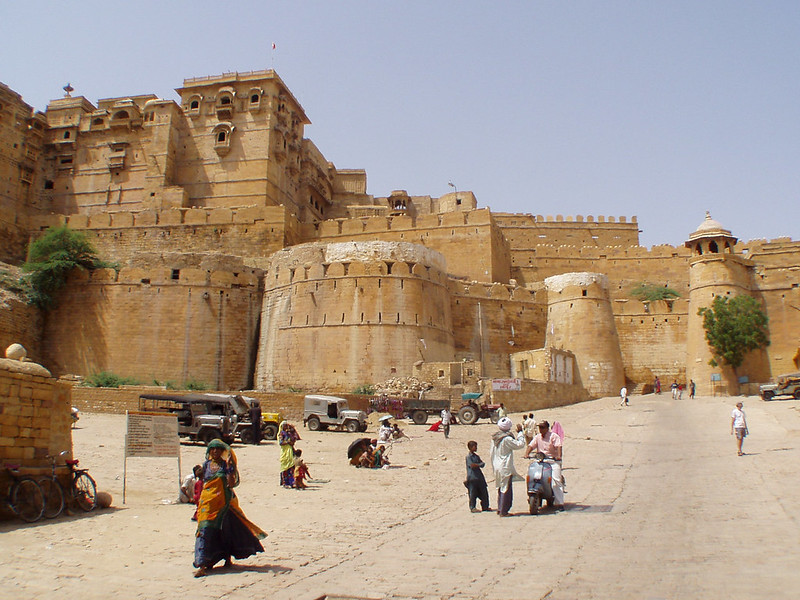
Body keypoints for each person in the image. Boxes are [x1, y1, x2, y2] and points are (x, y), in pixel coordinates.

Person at [193, 439, 266, 578]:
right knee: (204, 530)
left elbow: (231, 483)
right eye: (212, 449)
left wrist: (231, 469)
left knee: (224, 531)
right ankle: (201, 563)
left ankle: (226, 557)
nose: (215, 451)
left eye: (217, 449)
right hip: (208, 504)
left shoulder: (225, 466)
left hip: (223, 503)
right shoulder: (206, 465)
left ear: (222, 451)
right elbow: (203, 483)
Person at [524, 420, 565, 511]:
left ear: (547, 428)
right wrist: (527, 453)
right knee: (532, 476)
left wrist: (558, 456)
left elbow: (558, 446)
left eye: (542, 427)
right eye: (539, 427)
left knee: (556, 481)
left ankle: (560, 503)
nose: (540, 429)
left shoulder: (554, 436)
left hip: (552, 461)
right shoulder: (537, 437)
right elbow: (531, 445)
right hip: (540, 460)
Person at [490, 417, 526, 516]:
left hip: (497, 466)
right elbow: (520, 444)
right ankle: (503, 511)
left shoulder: (495, 438)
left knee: (500, 487)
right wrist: (520, 433)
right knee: (505, 488)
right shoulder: (507, 439)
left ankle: (500, 508)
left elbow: (491, 453)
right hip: (504, 466)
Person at [465, 441, 491, 513]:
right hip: (472, 477)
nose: (476, 448)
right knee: (472, 493)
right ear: (470, 447)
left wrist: (478, 464)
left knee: (484, 492)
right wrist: (479, 464)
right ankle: (473, 507)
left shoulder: (476, 456)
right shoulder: (468, 457)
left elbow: (482, 464)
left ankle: (485, 507)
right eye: (474, 446)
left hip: (479, 477)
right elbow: (472, 466)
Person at [279, 421, 299, 488]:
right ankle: (285, 483)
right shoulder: (281, 434)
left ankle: (292, 482)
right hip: (285, 452)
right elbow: (281, 442)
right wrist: (287, 442)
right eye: (284, 425)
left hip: (290, 451)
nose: (286, 426)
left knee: (291, 467)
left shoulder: (289, 433)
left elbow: (294, 439)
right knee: (285, 467)